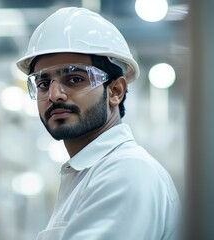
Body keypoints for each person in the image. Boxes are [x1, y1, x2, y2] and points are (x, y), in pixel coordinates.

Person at [16, 7, 181, 240]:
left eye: (74, 79)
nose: (54, 95)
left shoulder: (125, 173)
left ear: (115, 90)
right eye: (43, 83)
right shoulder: (89, 173)